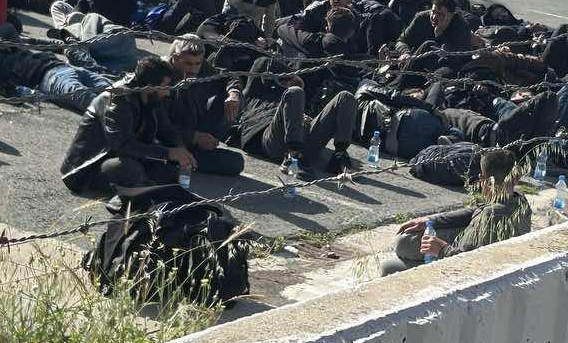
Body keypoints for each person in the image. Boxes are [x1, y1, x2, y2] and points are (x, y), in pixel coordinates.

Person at [60, 57, 243, 193]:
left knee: (169, 170)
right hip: (91, 167)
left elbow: (165, 129)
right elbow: (123, 146)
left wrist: (180, 150)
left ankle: (146, 188)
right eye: (164, 87)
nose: (167, 93)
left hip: (130, 156)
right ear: (148, 86)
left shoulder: (152, 97)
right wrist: (169, 152)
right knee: (129, 169)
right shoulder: (117, 101)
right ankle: (144, 191)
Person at [382, 147, 530, 273]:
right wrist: (432, 221)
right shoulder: (519, 201)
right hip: (483, 258)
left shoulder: (490, 216)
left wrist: (441, 248)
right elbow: (477, 209)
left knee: (390, 265)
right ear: (515, 178)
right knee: (405, 243)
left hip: (460, 267)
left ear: (483, 180)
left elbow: (466, 263)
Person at [225, 54, 357, 173]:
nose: (286, 82)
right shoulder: (254, 93)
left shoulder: (291, 95)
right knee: (295, 92)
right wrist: (291, 77)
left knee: (346, 97)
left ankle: (339, 156)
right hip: (274, 142)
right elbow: (262, 62)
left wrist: (303, 118)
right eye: (283, 79)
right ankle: (293, 155)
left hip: (305, 142)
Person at [167, 35, 245, 174]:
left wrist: (233, 94)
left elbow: (227, 76)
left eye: (197, 63)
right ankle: (181, 159)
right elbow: (159, 127)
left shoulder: (201, 69)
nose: (193, 70)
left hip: (195, 127)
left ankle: (202, 149)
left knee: (234, 98)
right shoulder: (161, 77)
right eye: (188, 64)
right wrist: (194, 137)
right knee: (233, 163)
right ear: (175, 58)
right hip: (170, 140)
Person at [397, 0, 484, 54]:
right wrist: (405, 53)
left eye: (440, 14)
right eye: (433, 12)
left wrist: (439, 35)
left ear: (451, 15)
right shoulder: (421, 18)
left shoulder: (461, 27)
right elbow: (401, 41)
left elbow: (456, 58)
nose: (434, 17)